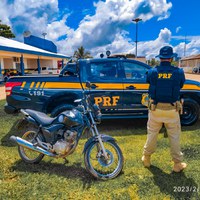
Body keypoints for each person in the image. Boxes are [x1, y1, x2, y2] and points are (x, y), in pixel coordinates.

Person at [142, 46, 187, 172]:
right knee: (174, 137)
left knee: (152, 134)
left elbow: (148, 81)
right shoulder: (178, 72)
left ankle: (146, 158)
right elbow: (181, 84)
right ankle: (177, 164)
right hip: (172, 110)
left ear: (160, 58)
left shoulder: (152, 71)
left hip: (155, 109)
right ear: (171, 58)